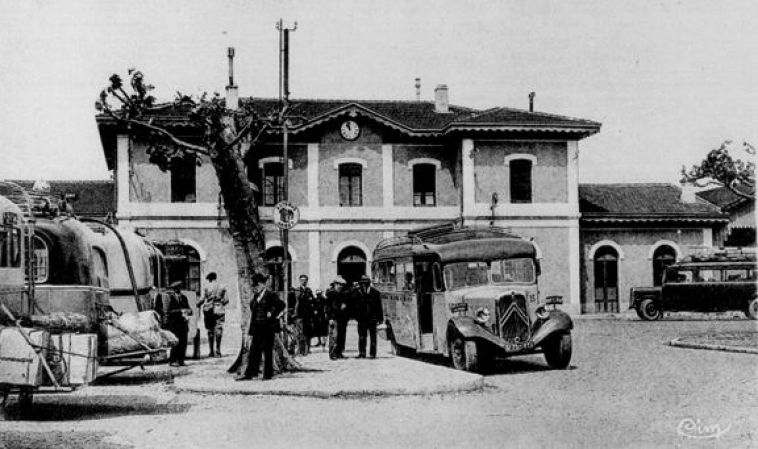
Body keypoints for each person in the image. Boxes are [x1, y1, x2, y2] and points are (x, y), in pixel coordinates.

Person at [236, 273, 285, 381]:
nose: (256, 287)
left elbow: (282, 305)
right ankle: (250, 373)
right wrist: (250, 332)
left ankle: (267, 375)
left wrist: (271, 312)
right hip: (257, 328)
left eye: (257, 285)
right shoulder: (256, 297)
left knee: (267, 351)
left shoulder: (270, 295)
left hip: (267, 328)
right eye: (255, 285)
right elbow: (253, 314)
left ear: (262, 284)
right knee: (254, 351)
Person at [353, 274, 384, 358]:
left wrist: (380, 318)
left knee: (373, 337)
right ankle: (362, 353)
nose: (364, 284)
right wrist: (356, 316)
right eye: (362, 283)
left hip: (372, 318)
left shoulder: (375, 293)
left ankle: (372, 353)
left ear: (369, 283)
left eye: (366, 283)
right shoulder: (357, 292)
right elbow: (354, 305)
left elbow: (379, 306)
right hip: (361, 318)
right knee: (362, 336)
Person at [198, 272, 228, 357]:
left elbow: (202, 299)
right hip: (219, 309)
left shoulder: (207, 287)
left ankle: (211, 351)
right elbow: (226, 300)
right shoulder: (223, 286)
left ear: (210, 279)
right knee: (219, 329)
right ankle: (218, 351)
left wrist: (197, 304)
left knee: (210, 330)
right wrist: (220, 302)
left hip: (208, 310)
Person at [166, 281, 192, 366]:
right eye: (176, 288)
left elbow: (189, 308)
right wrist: (180, 311)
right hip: (174, 324)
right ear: (174, 289)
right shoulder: (170, 298)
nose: (178, 290)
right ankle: (173, 360)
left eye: (179, 288)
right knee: (175, 342)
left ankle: (181, 360)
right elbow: (169, 311)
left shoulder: (184, 297)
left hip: (183, 324)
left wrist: (189, 311)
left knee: (183, 342)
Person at [289, 274, 314, 356]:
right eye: (302, 280)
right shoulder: (297, 290)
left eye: (305, 280)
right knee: (300, 333)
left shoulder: (309, 290)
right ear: (300, 281)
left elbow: (312, 301)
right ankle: (300, 350)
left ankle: (307, 350)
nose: (304, 282)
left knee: (307, 332)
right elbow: (296, 302)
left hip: (308, 315)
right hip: (299, 315)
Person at [326, 276, 350, 360]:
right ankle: (333, 353)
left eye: (342, 285)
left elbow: (347, 305)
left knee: (341, 336)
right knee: (334, 336)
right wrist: (330, 318)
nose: (340, 286)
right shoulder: (331, 294)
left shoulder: (343, 294)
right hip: (334, 318)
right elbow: (328, 307)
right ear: (335, 284)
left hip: (342, 318)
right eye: (339, 284)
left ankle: (339, 352)